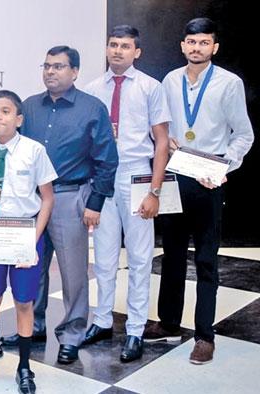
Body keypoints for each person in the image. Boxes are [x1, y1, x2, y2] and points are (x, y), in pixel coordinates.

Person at [146, 17, 254, 365]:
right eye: (191, 43)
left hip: (208, 181)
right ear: (182, 46)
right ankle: (168, 323)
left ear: (214, 47)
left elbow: (244, 135)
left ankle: (205, 335)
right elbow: (160, 128)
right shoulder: (170, 80)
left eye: (204, 43)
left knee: (206, 260)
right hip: (176, 176)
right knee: (172, 256)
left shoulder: (229, 83)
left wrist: (223, 167)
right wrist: (165, 137)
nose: (197, 48)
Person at [1, 46, 118, 365]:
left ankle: (72, 333)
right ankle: (33, 326)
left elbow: (107, 160)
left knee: (73, 272)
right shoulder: (28, 107)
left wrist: (95, 202)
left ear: (75, 72)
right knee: (31, 265)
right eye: (47, 66)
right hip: (32, 199)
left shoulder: (92, 108)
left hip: (70, 197)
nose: (51, 72)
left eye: (59, 67)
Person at [81, 25, 171, 363]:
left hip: (136, 174)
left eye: (125, 46)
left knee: (138, 257)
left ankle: (135, 329)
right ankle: (102, 321)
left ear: (137, 52)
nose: (118, 50)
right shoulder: (91, 90)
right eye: (113, 45)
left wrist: (155, 191)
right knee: (103, 256)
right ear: (106, 49)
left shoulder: (151, 87)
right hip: (103, 176)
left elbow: (161, 141)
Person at [0, 90, 56, 394]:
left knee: (24, 302)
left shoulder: (34, 151)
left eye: (5, 112)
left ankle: (25, 367)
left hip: (24, 236)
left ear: (18, 119)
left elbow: (47, 198)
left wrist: (34, 238)